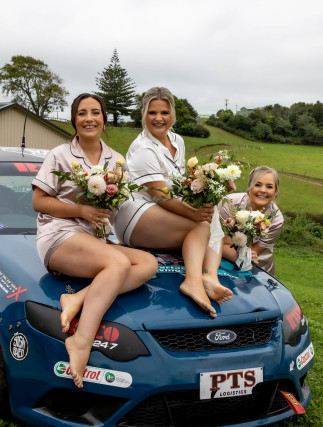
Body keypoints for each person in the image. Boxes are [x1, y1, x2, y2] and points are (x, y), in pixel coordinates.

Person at [32, 93, 158, 388]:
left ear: (104, 118)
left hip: (94, 240)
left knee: (148, 264)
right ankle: (81, 341)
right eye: (82, 113)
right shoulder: (60, 154)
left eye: (95, 112)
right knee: (118, 263)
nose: (89, 118)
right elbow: (38, 201)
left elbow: (117, 208)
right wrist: (81, 210)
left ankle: (78, 297)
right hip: (59, 234)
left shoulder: (116, 160)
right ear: (74, 120)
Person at [113, 87, 232, 318]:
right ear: (143, 114)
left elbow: (181, 183)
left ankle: (210, 276)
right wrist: (194, 214)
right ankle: (192, 281)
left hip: (162, 210)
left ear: (172, 114)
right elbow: (160, 195)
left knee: (211, 215)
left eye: (164, 112)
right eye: (152, 112)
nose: (158, 118)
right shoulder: (143, 148)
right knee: (200, 224)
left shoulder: (177, 141)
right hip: (136, 213)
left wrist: (207, 191)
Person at [218, 166, 284, 275]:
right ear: (249, 187)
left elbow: (252, 254)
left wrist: (245, 256)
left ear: (275, 191)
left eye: (269, 186)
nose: (263, 190)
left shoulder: (276, 219)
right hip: (221, 261)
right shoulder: (228, 203)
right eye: (257, 185)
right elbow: (222, 243)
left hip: (257, 268)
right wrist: (242, 256)